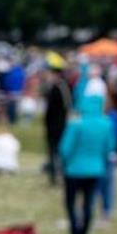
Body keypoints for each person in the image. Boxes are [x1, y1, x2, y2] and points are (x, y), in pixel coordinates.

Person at [59, 93, 116, 234]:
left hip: (73, 170)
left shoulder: (76, 123)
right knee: (88, 204)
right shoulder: (106, 124)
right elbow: (109, 147)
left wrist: (65, 162)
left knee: (71, 203)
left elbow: (65, 148)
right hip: (95, 169)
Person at [98, 90, 117, 222]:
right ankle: (105, 211)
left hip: (108, 154)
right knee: (106, 185)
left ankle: (106, 212)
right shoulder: (113, 116)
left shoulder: (112, 117)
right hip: (110, 153)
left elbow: (114, 136)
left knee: (106, 185)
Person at [42, 58, 71, 186]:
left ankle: (59, 175)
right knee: (53, 151)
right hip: (52, 125)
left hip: (59, 125)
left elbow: (66, 107)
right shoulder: (54, 87)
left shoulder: (61, 87)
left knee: (58, 152)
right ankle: (53, 176)